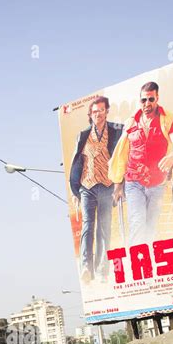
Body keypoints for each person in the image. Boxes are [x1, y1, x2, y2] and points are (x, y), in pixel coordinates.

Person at [110, 82, 173, 245]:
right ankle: (136, 266)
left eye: (151, 99)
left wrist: (172, 157)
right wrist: (117, 185)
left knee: (150, 227)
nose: (147, 104)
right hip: (133, 182)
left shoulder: (169, 119)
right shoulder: (131, 122)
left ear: (157, 98)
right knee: (137, 222)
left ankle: (147, 262)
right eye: (144, 100)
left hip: (157, 183)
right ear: (140, 101)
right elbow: (123, 154)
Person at [70, 96, 123, 283]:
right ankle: (86, 267)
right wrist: (74, 190)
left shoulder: (117, 131)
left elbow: (122, 158)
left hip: (107, 186)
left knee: (104, 228)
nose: (98, 114)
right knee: (87, 226)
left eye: (101, 110)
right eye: (94, 111)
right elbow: (77, 161)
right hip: (87, 186)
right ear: (90, 115)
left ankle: (102, 270)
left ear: (107, 111)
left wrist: (119, 185)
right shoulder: (83, 135)